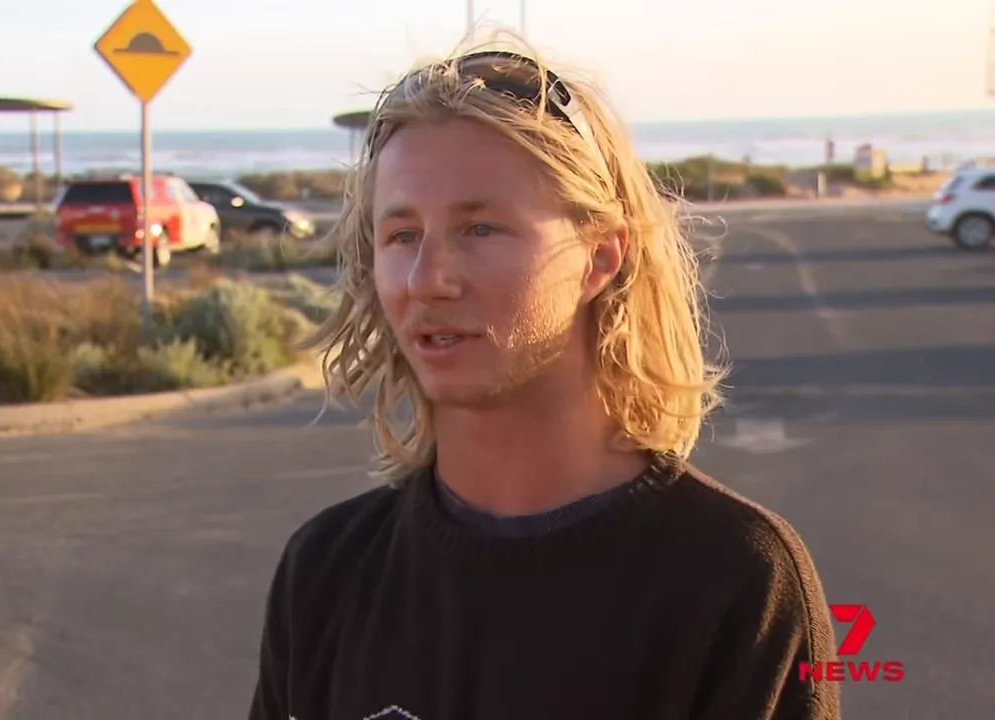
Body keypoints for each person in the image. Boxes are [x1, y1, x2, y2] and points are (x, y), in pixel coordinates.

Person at [248, 39, 840, 720]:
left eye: (480, 229)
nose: (428, 279)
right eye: (402, 235)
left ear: (600, 257)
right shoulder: (326, 571)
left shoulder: (733, 580)